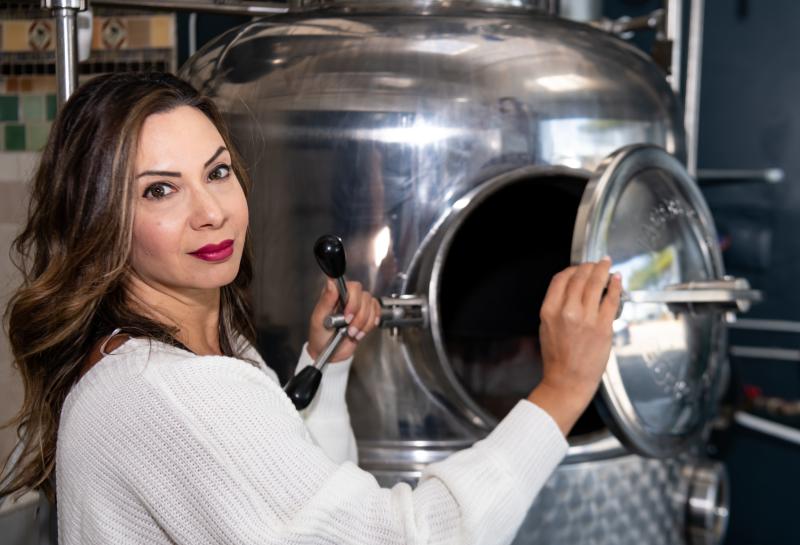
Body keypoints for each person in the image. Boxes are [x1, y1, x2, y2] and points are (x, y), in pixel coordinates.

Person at [0, 72, 621, 545]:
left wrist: (326, 363)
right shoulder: (166, 392)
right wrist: (563, 389)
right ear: (101, 220)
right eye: (160, 190)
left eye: (217, 173)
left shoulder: (203, 354)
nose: (210, 210)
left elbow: (311, 506)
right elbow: (400, 536)